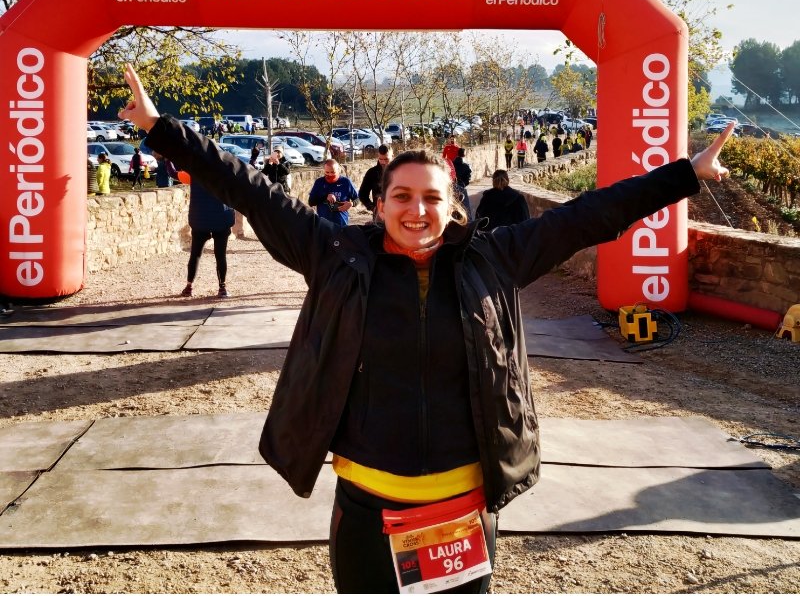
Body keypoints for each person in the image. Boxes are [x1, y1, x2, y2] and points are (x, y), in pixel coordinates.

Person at [119, 63, 734, 594]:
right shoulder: (335, 255)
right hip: (366, 505)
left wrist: (686, 173)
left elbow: (590, 215)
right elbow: (248, 188)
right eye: (403, 197)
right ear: (380, 203)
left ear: (454, 205)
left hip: (463, 509)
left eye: (433, 198)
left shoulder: (495, 259)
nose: (417, 211)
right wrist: (158, 127)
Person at [180, 175, 235, 298]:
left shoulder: (194, 173)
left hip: (200, 220)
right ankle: (222, 288)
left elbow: (173, 173)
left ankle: (189, 287)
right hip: (222, 219)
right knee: (220, 255)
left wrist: (166, 163)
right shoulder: (226, 173)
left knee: (195, 255)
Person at [308, 159, 358, 226]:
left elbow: (357, 198)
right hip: (323, 225)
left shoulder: (346, 182)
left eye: (333, 172)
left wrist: (351, 204)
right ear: (324, 171)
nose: (330, 174)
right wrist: (326, 197)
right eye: (327, 172)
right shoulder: (319, 182)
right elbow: (311, 202)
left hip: (341, 224)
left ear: (338, 170)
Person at [358, 144, 393, 217]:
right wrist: (372, 208)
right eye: (381, 159)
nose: (383, 162)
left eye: (386, 159)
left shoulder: (400, 171)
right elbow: (362, 194)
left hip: (397, 213)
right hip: (379, 215)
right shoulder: (372, 173)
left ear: (392, 156)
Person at [452, 146, 473, 220]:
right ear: (464, 154)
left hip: (451, 187)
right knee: (465, 209)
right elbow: (468, 178)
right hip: (461, 186)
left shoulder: (452, 164)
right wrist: (463, 184)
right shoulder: (466, 166)